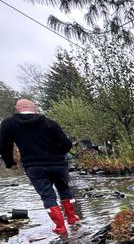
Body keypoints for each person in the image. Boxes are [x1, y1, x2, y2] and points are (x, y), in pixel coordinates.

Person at [0, 98, 79, 234]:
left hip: (34, 166)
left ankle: (60, 227)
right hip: (58, 164)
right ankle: (72, 219)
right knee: (65, 189)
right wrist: (57, 155)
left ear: (18, 108)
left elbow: (3, 147)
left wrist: (10, 163)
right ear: (34, 108)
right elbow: (67, 144)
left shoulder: (8, 124)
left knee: (47, 196)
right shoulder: (50, 123)